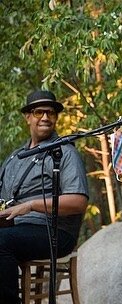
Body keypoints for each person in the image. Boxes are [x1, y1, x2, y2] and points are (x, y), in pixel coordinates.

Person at [0, 90, 89, 304]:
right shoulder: (15, 157)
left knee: (0, 242)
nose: (45, 117)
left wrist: (30, 206)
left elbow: (78, 202)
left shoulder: (65, 153)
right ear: (28, 117)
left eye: (50, 113)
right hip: (15, 228)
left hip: (54, 232)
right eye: (39, 112)